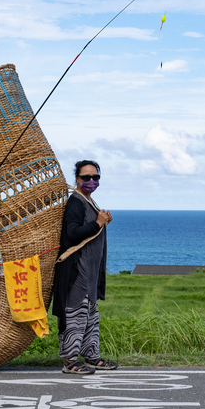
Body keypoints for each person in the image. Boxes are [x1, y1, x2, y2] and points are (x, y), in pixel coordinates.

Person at [52, 160, 119, 374]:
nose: (91, 181)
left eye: (95, 177)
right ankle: (70, 361)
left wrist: (101, 220)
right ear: (77, 179)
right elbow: (72, 233)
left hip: (89, 274)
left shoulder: (89, 202)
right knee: (75, 316)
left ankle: (91, 357)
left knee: (90, 316)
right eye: (86, 177)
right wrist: (97, 223)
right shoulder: (76, 202)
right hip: (76, 271)